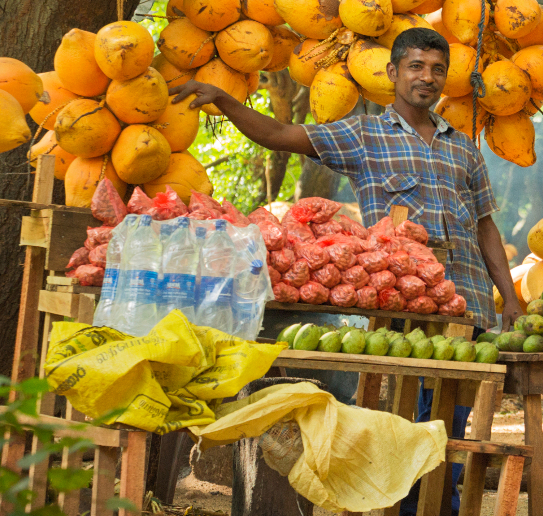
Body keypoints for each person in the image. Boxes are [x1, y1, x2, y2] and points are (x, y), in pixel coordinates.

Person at [172, 27, 522, 514]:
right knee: (402, 428)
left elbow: (485, 228)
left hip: (469, 308)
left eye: (437, 69)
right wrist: (225, 100)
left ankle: (438, 506)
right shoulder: (363, 134)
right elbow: (279, 135)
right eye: (417, 66)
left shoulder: (463, 148)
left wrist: (512, 299)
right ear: (393, 72)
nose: (427, 77)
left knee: (452, 432)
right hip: (402, 309)